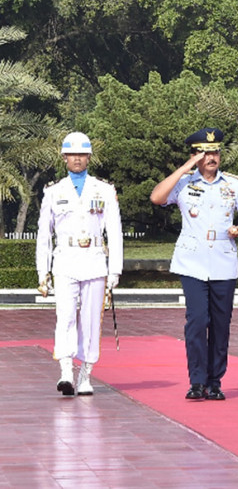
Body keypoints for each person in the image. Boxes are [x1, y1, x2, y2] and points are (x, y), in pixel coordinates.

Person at [150, 127, 238, 401]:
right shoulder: (184, 182)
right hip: (192, 261)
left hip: (223, 260)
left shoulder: (232, 184)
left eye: (215, 152)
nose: (212, 157)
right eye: (205, 153)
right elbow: (157, 197)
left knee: (221, 324)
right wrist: (185, 167)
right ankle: (197, 381)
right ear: (195, 155)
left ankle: (215, 380)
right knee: (197, 321)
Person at [36, 132, 123, 396]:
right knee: (65, 316)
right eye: (72, 154)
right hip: (65, 260)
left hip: (95, 260)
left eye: (82, 154)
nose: (77, 159)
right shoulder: (53, 191)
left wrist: (115, 269)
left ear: (89, 157)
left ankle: (85, 374)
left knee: (90, 320)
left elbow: (114, 232)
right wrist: (43, 270)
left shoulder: (104, 189)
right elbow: (43, 235)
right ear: (64, 158)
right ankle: (65, 371)